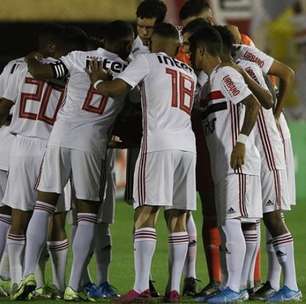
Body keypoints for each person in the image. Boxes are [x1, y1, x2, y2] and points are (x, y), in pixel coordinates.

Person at [12, 20, 134, 302]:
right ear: (127, 44)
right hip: (91, 142)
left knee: (43, 204)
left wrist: (32, 56)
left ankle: (29, 274)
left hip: (60, 135)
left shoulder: (78, 57)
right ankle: (73, 285)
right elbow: (134, 109)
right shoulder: (129, 70)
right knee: (86, 213)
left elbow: (41, 71)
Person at [87, 22, 197, 303]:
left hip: (159, 144)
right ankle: (173, 289)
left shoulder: (146, 60)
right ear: (177, 45)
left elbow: (117, 89)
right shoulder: (189, 71)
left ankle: (140, 288)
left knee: (145, 212)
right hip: (187, 145)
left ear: (152, 43)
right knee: (179, 216)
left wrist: (98, 80)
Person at [189, 26, 264, 303]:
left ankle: (234, 288)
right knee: (228, 224)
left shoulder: (225, 74)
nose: (190, 55)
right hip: (223, 165)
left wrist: (242, 142)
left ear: (203, 50)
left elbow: (253, 103)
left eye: (191, 49)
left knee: (233, 222)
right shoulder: (209, 83)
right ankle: (234, 286)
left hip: (237, 162)